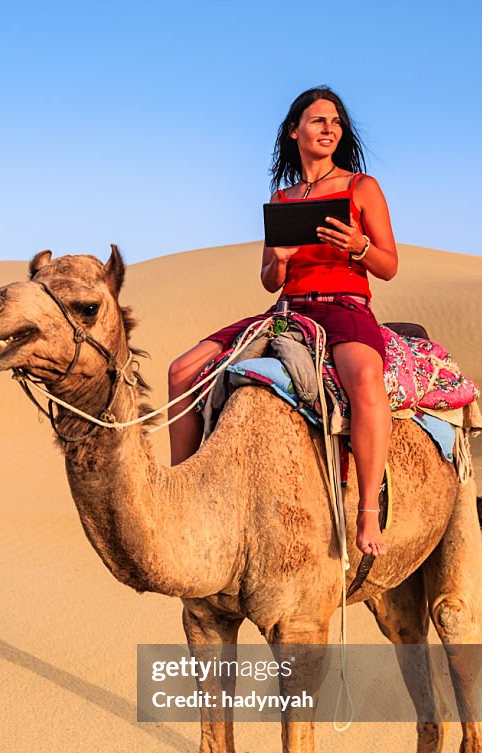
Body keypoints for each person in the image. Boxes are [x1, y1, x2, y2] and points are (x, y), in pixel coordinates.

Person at [168, 86, 398, 556]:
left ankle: (368, 511)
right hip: (289, 309)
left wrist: (357, 246)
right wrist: (280, 258)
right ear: (295, 130)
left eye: (335, 121)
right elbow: (269, 281)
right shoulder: (283, 197)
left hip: (344, 306)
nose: (329, 128)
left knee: (365, 378)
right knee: (182, 370)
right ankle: (182, 491)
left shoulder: (361, 188)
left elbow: (389, 265)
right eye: (317, 120)